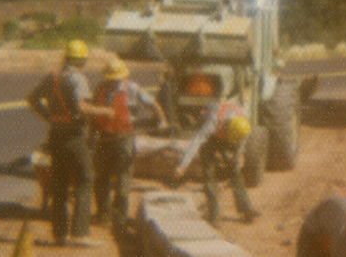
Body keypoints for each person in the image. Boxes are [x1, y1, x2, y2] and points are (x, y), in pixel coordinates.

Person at [26, 40, 111, 246]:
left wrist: (50, 117)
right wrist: (106, 111)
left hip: (55, 135)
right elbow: (82, 108)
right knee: (85, 179)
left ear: (66, 57)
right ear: (82, 60)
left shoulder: (53, 76)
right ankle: (80, 233)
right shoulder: (77, 79)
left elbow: (32, 99)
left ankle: (60, 234)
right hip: (73, 137)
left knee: (60, 184)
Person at [91, 57, 166, 232]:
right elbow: (94, 116)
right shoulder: (101, 88)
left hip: (124, 138)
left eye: (115, 79)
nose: (112, 81)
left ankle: (120, 218)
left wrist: (162, 119)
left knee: (123, 180)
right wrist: (91, 136)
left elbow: (152, 104)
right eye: (110, 78)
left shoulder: (132, 89)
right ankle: (103, 214)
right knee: (101, 177)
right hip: (104, 138)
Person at [173, 96, 260, 224]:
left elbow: (242, 140)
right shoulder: (213, 121)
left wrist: (239, 155)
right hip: (209, 140)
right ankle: (214, 215)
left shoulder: (243, 119)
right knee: (209, 175)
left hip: (226, 136)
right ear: (226, 127)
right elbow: (196, 141)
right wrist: (182, 165)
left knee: (235, 172)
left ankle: (246, 208)